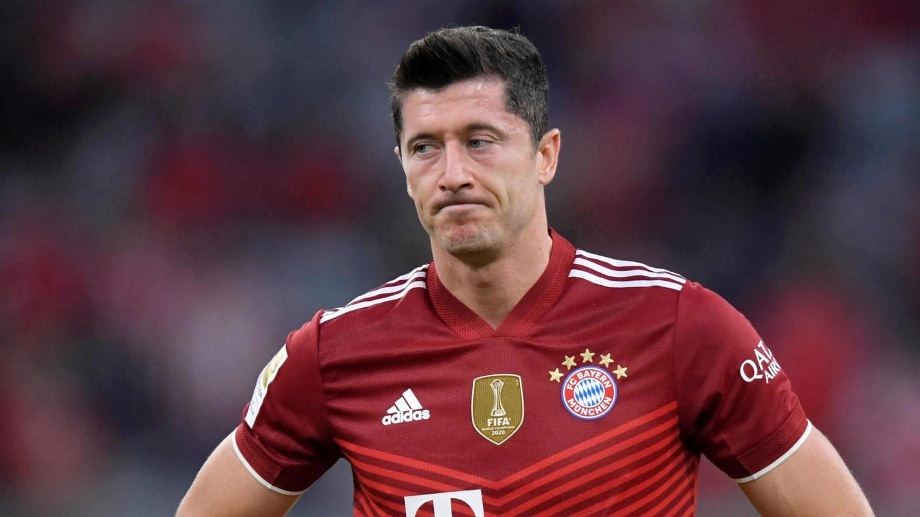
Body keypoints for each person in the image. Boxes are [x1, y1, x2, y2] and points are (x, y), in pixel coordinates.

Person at [178, 26, 873, 516]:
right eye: (425, 147)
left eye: (480, 141)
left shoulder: (680, 326)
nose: (453, 173)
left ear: (546, 155)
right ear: (402, 168)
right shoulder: (334, 353)